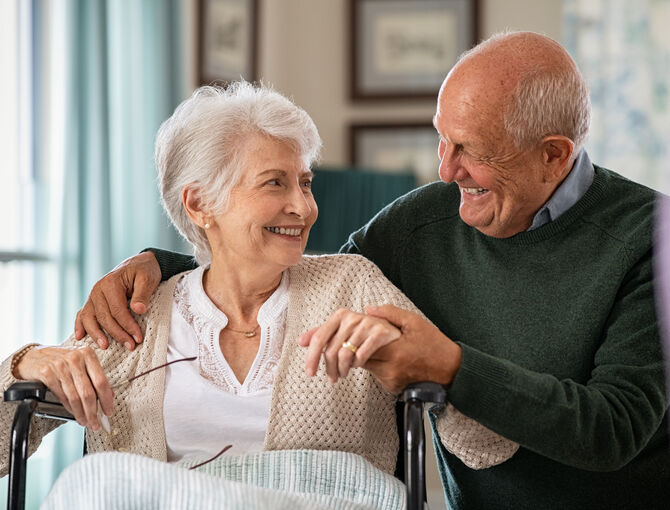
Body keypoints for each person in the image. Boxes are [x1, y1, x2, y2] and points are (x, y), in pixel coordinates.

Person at [76, 32, 670, 509]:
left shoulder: (652, 238)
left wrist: (449, 365)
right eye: (442, 141)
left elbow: (612, 429)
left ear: (555, 154)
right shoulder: (425, 222)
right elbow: (306, 273)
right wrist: (163, 270)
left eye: (471, 151)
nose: (446, 171)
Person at [0, 82, 514, 487]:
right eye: (276, 183)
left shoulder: (350, 285)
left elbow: (487, 444)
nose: (304, 206)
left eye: (305, 182)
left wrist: (437, 369)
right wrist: (24, 363)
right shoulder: (139, 314)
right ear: (200, 204)